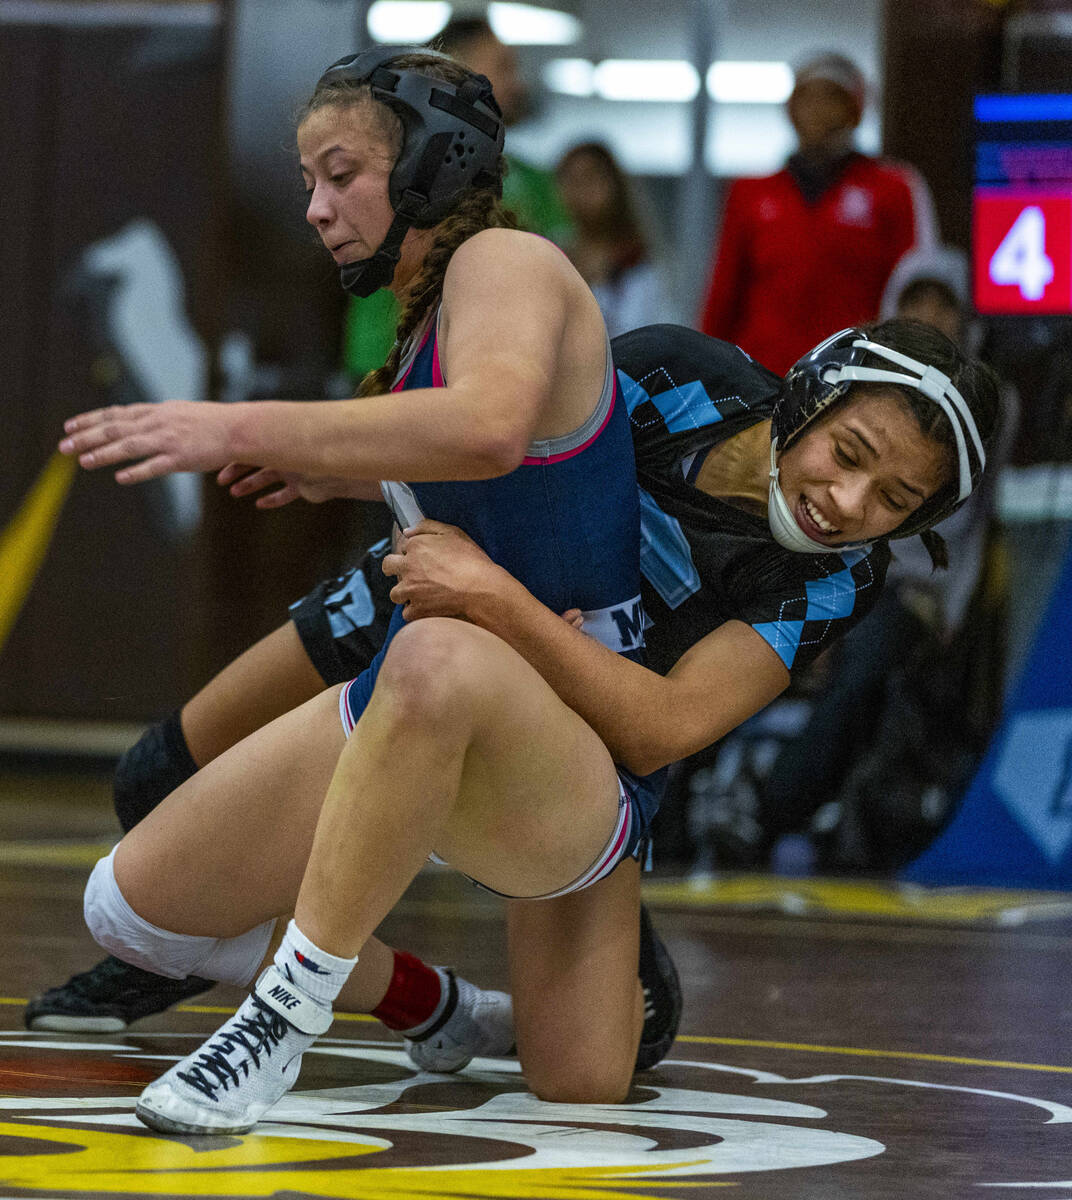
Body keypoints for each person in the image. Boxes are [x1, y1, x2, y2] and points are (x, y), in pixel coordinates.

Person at [62, 276, 998, 1135]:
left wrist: (495, 599)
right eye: (851, 453)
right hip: (442, 589)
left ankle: (312, 984)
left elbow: (660, 728)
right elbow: (503, 444)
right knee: (130, 911)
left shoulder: (841, 573)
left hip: (564, 750)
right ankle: (430, 1008)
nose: (847, 500)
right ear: (811, 394)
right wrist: (343, 471)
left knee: (584, 1079)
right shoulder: (676, 373)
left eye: (896, 500)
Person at [691, 245, 1017, 873]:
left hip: (914, 591)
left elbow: (960, 530)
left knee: (863, 663)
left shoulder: (987, 409)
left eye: (943, 304)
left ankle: (767, 808)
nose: (929, 315)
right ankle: (696, 798)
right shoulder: (851, 381)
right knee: (724, 622)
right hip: (820, 556)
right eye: (915, 299)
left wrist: (930, 602)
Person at [343, 15, 572, 383]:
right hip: (394, 362)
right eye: (503, 67)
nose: (516, 82)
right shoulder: (395, 167)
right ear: (458, 76)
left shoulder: (535, 181)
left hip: (493, 367)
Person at [697, 50, 938, 374]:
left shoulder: (894, 189)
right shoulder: (750, 193)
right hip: (761, 380)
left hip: (854, 380)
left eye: (832, 98)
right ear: (791, 110)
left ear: (855, 110)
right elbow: (723, 296)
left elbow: (918, 292)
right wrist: (705, 371)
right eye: (807, 99)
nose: (818, 111)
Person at [555, 141, 680, 337]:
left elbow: (655, 330)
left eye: (591, 178)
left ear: (615, 184)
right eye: (571, 180)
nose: (583, 191)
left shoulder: (640, 258)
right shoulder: (554, 253)